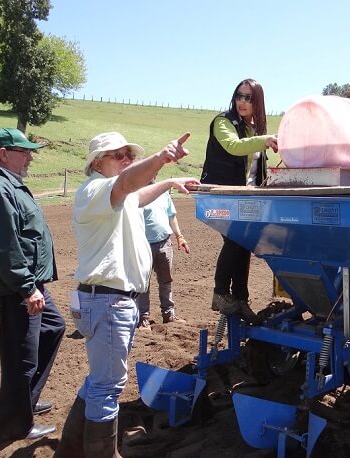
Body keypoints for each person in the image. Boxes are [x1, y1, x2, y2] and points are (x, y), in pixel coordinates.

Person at [55, 131, 199, 457]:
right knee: (107, 388)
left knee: (99, 381)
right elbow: (127, 185)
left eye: (128, 155)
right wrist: (162, 158)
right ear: (96, 162)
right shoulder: (96, 190)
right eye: (117, 155)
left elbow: (137, 194)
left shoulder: (117, 195)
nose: (125, 159)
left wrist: (168, 182)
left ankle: (70, 450)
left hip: (111, 299)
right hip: (108, 300)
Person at [0, 128, 66, 441]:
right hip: (16, 288)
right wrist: (27, 288)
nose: (30, 157)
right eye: (23, 151)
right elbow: (2, 246)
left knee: (53, 327)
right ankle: (16, 426)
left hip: (25, 283)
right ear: (3, 154)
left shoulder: (7, 184)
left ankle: (25, 402)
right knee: (20, 358)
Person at [200, 78, 278, 324]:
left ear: (258, 102)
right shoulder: (224, 123)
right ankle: (220, 293)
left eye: (248, 98)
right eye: (239, 96)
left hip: (245, 198)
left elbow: (256, 170)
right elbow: (234, 147)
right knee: (235, 240)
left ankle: (240, 299)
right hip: (222, 195)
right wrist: (263, 140)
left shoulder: (253, 128)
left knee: (244, 244)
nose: (242, 102)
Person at [136, 187, 189, 328]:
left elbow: (171, 216)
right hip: (142, 245)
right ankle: (142, 318)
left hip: (164, 242)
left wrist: (180, 236)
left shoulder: (164, 193)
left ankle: (169, 314)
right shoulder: (137, 194)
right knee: (143, 284)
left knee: (166, 281)